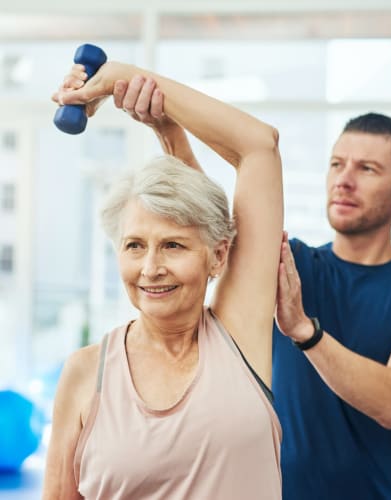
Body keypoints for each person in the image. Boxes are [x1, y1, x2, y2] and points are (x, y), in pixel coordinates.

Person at [136, 103, 391, 499]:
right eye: (336, 164)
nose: (344, 180)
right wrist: (169, 130)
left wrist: (304, 331)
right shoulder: (296, 266)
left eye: (367, 169)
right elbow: (210, 225)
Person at [43, 61, 283, 499]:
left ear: (218, 256)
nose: (151, 267)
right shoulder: (84, 373)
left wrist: (121, 79)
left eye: (173, 245)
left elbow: (258, 146)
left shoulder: (238, 338)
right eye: (134, 245)